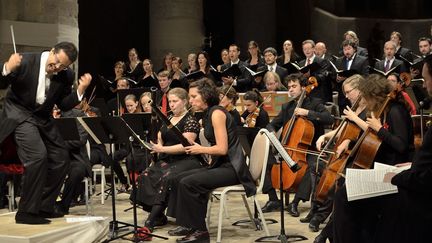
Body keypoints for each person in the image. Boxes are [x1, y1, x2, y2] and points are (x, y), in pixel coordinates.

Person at [0, 42, 91, 224]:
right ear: (51, 51)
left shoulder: (66, 75)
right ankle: (26, 212)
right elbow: (2, 83)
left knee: (61, 158)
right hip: (19, 114)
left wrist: (79, 91)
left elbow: (64, 105)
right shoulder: (25, 61)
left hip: (42, 117)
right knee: (37, 156)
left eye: (62, 66)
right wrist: (7, 69)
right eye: (56, 61)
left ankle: (43, 206)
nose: (56, 67)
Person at [169, 78, 256, 242]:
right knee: (177, 178)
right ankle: (190, 224)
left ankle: (200, 232)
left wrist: (199, 148)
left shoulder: (216, 113)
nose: (191, 100)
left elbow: (222, 149)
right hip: (220, 164)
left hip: (233, 168)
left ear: (206, 96)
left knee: (189, 183)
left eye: (194, 96)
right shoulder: (208, 113)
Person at [332, 74, 414, 243]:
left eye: (367, 98)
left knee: (344, 198)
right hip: (378, 170)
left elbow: (401, 145)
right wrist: (351, 140)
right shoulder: (382, 110)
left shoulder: (396, 110)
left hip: (393, 173)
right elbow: (374, 140)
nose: (366, 102)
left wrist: (379, 129)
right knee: (343, 194)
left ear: (374, 97)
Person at [375, 53, 432, 243]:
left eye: (425, 79)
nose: (423, 85)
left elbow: (421, 174)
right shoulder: (384, 112)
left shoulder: (397, 111)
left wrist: (394, 178)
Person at [261, 74, 334, 217]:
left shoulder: (315, 103)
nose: (291, 90)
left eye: (294, 86)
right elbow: (272, 124)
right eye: (289, 87)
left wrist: (307, 113)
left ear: (303, 87)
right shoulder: (287, 106)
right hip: (289, 148)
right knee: (266, 161)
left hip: (311, 149)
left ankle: (295, 202)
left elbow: (329, 118)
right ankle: (273, 199)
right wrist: (269, 134)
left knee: (311, 166)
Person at [135, 88, 203, 235]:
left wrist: (162, 149)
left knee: (167, 178)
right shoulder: (169, 118)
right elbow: (161, 135)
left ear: (184, 102)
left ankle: (150, 221)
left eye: (175, 101)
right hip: (168, 159)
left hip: (187, 159)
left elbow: (186, 145)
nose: (171, 105)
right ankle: (159, 216)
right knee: (146, 175)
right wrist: (156, 143)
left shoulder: (191, 120)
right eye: (170, 101)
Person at [313, 74, 368, 243]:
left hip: (360, 158)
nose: (346, 96)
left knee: (340, 198)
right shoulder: (355, 108)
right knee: (336, 196)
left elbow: (372, 131)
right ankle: (325, 229)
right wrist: (325, 136)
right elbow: (344, 128)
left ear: (359, 89)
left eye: (349, 92)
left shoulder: (370, 108)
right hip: (348, 155)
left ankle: (325, 233)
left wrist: (354, 118)